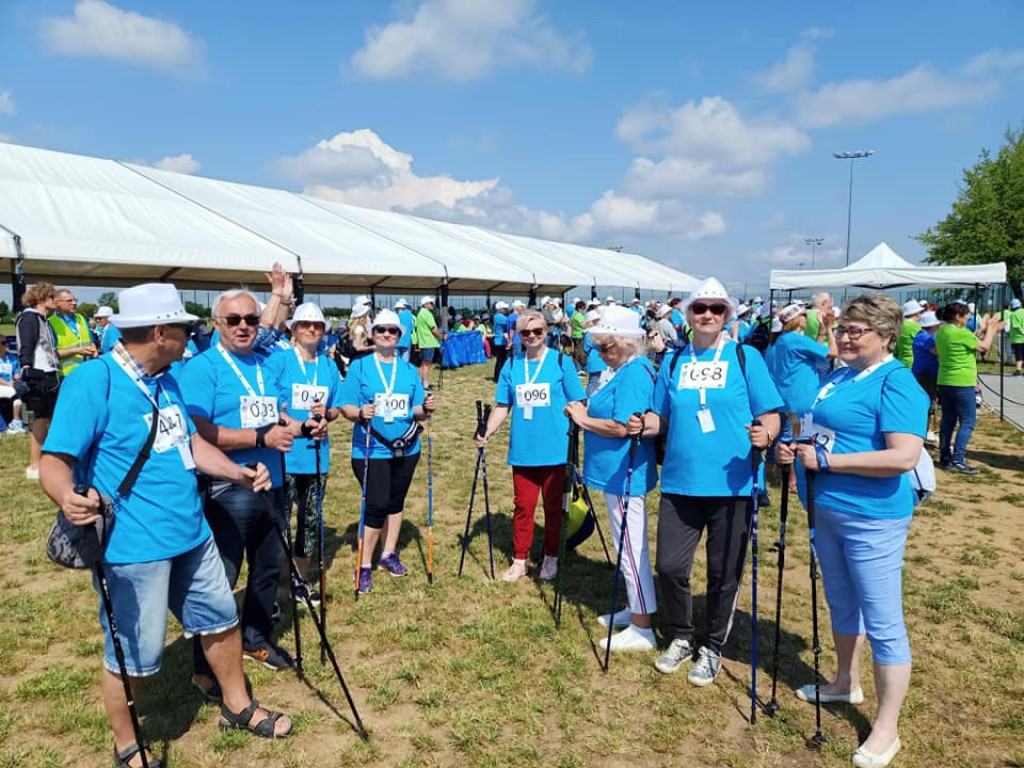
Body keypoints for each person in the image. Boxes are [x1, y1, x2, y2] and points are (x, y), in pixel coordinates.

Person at [39, 283, 293, 768]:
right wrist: (67, 497)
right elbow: (55, 460)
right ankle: (128, 744)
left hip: (193, 535)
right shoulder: (95, 381)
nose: (189, 337)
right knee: (134, 653)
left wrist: (235, 471)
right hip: (132, 550)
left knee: (220, 621)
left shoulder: (167, 380)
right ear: (160, 332)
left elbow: (189, 446)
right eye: (184, 328)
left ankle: (238, 706)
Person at [774, 292, 928, 768]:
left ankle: (887, 726)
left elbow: (903, 456)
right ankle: (845, 681)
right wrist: (794, 446)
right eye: (841, 327)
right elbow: (821, 429)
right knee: (841, 601)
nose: (842, 335)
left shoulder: (897, 383)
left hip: (872, 517)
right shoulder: (838, 375)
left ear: (886, 336)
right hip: (826, 509)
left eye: (855, 330)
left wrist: (829, 461)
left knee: (882, 620)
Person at [631, 277, 781, 686]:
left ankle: (713, 645)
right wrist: (642, 424)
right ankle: (681, 635)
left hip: (733, 485)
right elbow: (662, 417)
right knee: (670, 566)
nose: (709, 315)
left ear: (727, 315)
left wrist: (766, 433)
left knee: (722, 571)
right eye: (701, 309)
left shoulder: (746, 357)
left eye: (717, 309)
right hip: (681, 482)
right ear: (688, 315)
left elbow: (771, 413)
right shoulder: (675, 362)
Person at [179, 288, 324, 678]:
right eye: (234, 320)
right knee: (221, 578)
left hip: (272, 482)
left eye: (251, 320)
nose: (243, 327)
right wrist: (259, 438)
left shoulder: (265, 364)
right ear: (217, 323)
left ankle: (255, 639)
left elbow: (279, 417)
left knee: (267, 568)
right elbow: (199, 431)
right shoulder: (203, 368)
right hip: (226, 485)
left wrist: (304, 425)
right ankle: (204, 665)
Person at [564, 306, 657, 652]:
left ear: (628, 343)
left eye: (607, 347)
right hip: (615, 472)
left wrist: (583, 418)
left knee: (631, 549)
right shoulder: (622, 370)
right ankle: (635, 608)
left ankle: (642, 626)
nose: (600, 354)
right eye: (598, 348)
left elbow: (621, 426)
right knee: (626, 546)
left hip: (625, 471)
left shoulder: (633, 374)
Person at [476, 309, 587, 581]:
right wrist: (487, 431)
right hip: (523, 450)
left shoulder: (562, 362)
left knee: (552, 508)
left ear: (546, 333)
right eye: (526, 332)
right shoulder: (512, 365)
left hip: (556, 449)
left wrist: (575, 415)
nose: (532, 336)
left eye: (537, 331)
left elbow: (580, 402)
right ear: (518, 335)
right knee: (523, 507)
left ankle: (551, 557)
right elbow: (504, 405)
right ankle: (520, 559)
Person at [338, 309, 437, 592]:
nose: (386, 335)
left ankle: (388, 553)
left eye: (392, 331)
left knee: (395, 501)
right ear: (372, 333)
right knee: (377, 503)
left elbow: (415, 409)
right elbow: (346, 406)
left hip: (407, 447)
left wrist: (425, 409)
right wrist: (359, 412)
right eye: (381, 330)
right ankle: (364, 564)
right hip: (371, 448)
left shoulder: (408, 370)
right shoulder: (360, 367)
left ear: (399, 336)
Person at [265, 302, 343, 602]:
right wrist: (295, 423)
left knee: (310, 521)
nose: (312, 329)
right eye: (305, 324)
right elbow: (269, 407)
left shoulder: (328, 365)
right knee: (279, 521)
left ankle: (300, 579)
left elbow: (337, 408)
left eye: (317, 325)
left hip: (316, 456)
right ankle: (270, 582)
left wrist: (328, 415)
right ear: (293, 329)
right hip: (284, 455)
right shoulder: (279, 361)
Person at [935, 302, 1002, 473]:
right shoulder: (961, 333)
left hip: (945, 381)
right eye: (967, 315)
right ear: (958, 317)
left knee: (948, 420)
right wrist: (992, 330)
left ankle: (945, 456)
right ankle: (958, 459)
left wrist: (981, 331)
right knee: (968, 421)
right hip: (962, 382)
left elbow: (968, 340)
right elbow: (984, 347)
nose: (969, 318)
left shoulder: (942, 332)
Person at [765, 303, 837, 446]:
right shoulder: (796, 339)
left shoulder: (780, 339)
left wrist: (822, 330)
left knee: (786, 437)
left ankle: (776, 466)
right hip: (801, 399)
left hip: (785, 398)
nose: (806, 318)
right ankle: (790, 468)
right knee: (797, 440)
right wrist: (830, 329)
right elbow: (833, 352)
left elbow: (812, 350)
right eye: (803, 315)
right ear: (797, 319)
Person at [15, 282, 60, 479]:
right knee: (41, 420)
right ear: (42, 298)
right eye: (52, 297)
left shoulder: (44, 320)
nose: (55, 300)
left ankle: (45, 461)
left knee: (48, 419)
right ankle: (35, 466)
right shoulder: (29, 318)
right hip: (39, 375)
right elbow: (26, 345)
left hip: (50, 373)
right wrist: (26, 370)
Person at [48, 289, 97, 376]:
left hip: (87, 371)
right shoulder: (51, 322)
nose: (74, 303)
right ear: (57, 302)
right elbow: (52, 353)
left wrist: (94, 350)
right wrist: (76, 351)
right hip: (66, 374)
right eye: (69, 301)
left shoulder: (81, 318)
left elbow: (91, 341)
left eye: (75, 300)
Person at [911, 311, 941, 442]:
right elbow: (937, 351)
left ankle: (925, 430)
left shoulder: (922, 335)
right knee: (926, 403)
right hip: (925, 375)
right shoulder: (926, 338)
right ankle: (923, 431)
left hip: (926, 374)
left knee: (929, 403)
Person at [413, 296, 443, 389]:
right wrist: (441, 336)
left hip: (424, 342)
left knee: (423, 364)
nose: (432, 305)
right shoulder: (427, 314)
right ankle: (425, 385)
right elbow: (433, 329)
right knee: (427, 364)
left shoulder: (420, 314)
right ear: (425, 304)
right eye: (431, 303)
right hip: (428, 342)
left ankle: (422, 383)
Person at [0, 336, 27, 434]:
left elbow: (17, 372)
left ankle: (16, 422)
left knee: (20, 390)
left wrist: (18, 376)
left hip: (10, 385)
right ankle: (10, 425)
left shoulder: (11, 357)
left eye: (6, 342)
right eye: (3, 343)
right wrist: (9, 384)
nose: (7, 345)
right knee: (16, 391)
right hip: (4, 385)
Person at [895, 300, 922, 369]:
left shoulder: (898, 325)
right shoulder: (915, 326)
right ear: (917, 314)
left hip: (900, 360)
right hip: (913, 362)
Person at [492, 301, 510, 381]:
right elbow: (509, 321)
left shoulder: (499, 316)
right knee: (500, 361)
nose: (506, 309)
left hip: (502, 341)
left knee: (502, 360)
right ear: (499, 309)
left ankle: (499, 376)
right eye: (504, 308)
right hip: (500, 341)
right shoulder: (498, 317)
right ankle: (498, 377)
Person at [1006, 297, 1024, 375]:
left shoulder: (1014, 315)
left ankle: (1018, 370)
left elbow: (1017, 327)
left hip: (1018, 338)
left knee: (1019, 354)